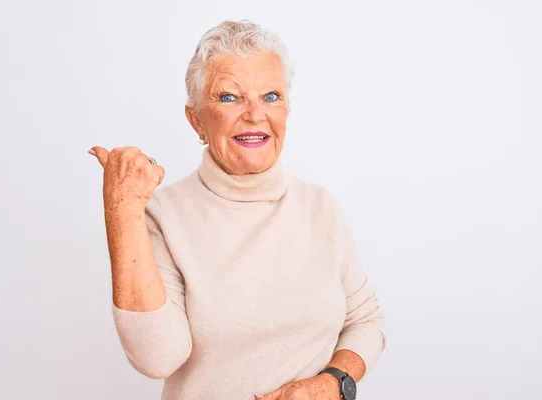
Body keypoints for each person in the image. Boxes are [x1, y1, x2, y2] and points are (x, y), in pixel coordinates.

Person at [89, 19, 386, 400]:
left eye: (271, 96)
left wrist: (331, 383)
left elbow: (365, 321)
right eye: (229, 97)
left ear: (287, 109)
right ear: (196, 118)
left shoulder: (319, 207)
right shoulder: (164, 215)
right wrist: (123, 211)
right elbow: (157, 357)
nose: (255, 114)